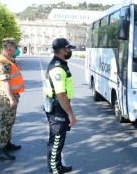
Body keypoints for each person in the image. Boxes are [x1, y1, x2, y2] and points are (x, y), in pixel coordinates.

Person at [45, 38, 77, 174]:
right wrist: (71, 114)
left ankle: (58, 166)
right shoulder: (58, 68)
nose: (70, 51)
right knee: (56, 141)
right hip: (58, 109)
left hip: (59, 107)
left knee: (60, 139)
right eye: (68, 48)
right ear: (63, 50)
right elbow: (61, 94)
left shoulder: (61, 64)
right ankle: (54, 170)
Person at [0, 38, 24, 160]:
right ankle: (1, 149)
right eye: (16, 48)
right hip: (6, 95)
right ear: (9, 48)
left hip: (9, 94)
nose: (17, 50)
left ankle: (7, 143)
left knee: (9, 121)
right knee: (5, 122)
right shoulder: (3, 62)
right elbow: (5, 81)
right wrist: (11, 99)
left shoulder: (7, 60)